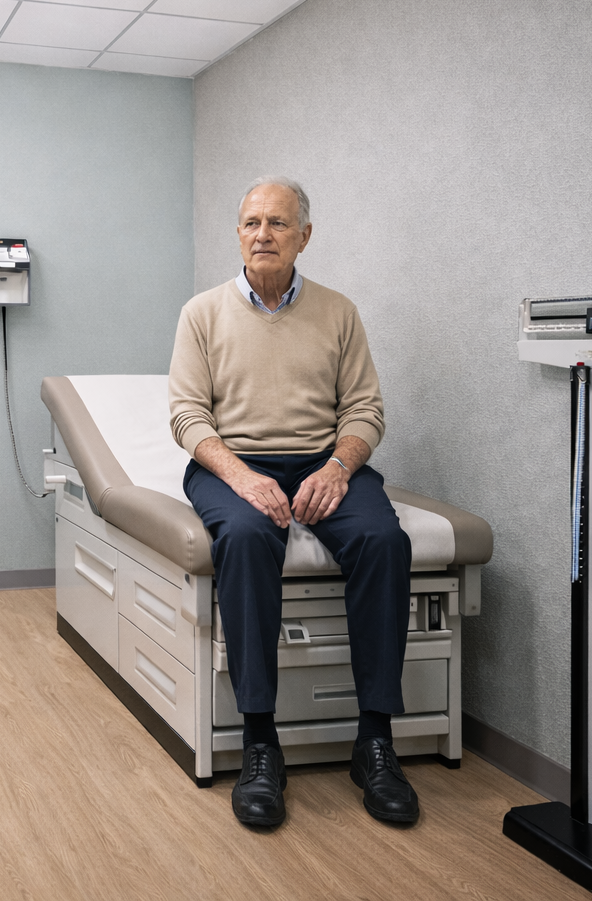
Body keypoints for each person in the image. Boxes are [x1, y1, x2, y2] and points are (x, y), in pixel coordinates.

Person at [169, 176, 418, 828]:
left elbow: (365, 409)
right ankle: (259, 741)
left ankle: (374, 741)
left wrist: (339, 466)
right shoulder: (202, 313)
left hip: (320, 462)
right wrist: (242, 477)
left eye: (278, 224)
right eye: (251, 222)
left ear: (304, 236)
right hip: (231, 465)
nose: (262, 235)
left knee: (385, 541)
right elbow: (188, 416)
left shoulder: (338, 312)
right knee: (248, 538)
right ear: (238, 233)